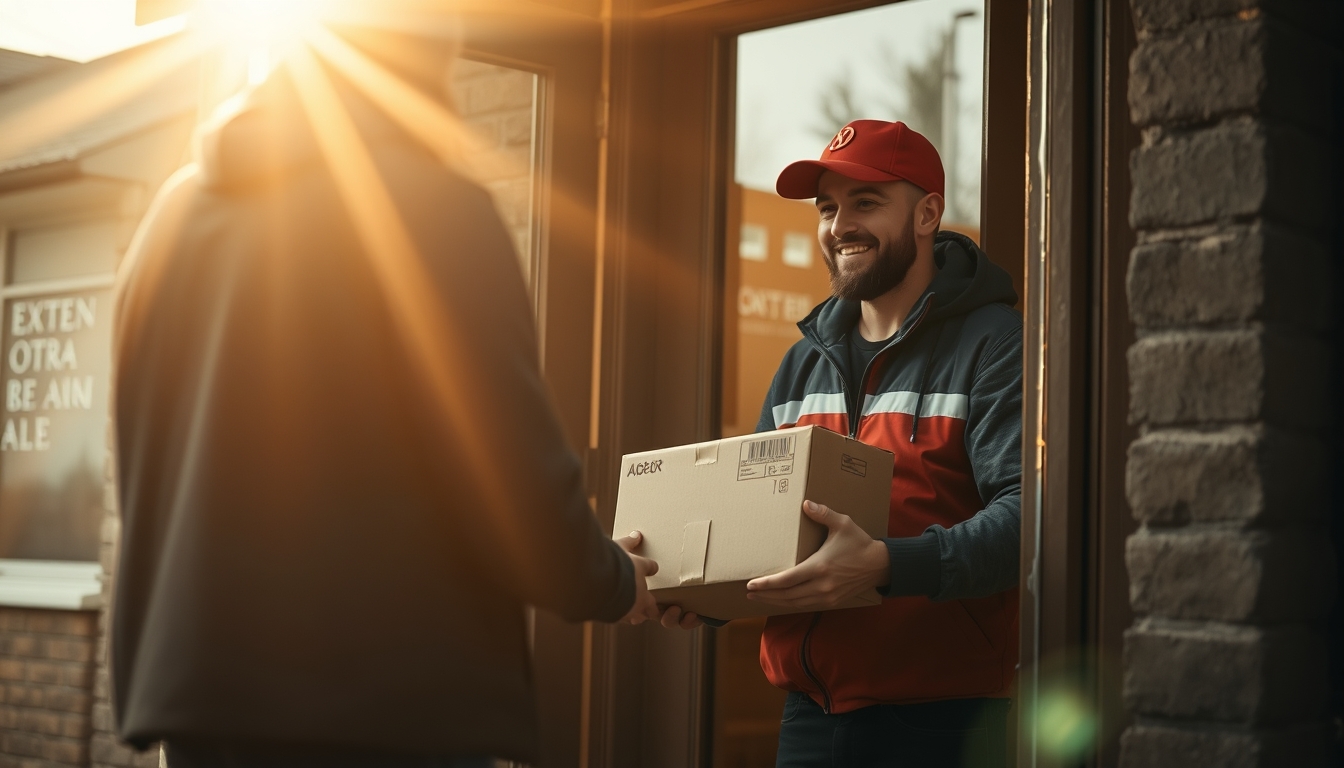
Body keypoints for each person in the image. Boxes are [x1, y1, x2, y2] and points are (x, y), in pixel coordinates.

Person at [110, 21, 658, 768]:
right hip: (385, 707)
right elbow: (508, 474)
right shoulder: (436, 208)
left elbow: (140, 458)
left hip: (202, 701)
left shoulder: (171, 218)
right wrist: (615, 581)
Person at [661, 120, 1022, 766]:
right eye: (827, 207)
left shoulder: (992, 344)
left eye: (866, 202)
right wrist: (698, 592)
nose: (838, 226)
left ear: (927, 214)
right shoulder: (802, 365)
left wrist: (885, 565)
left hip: (944, 722)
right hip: (809, 720)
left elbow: (1027, 523)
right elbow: (760, 527)